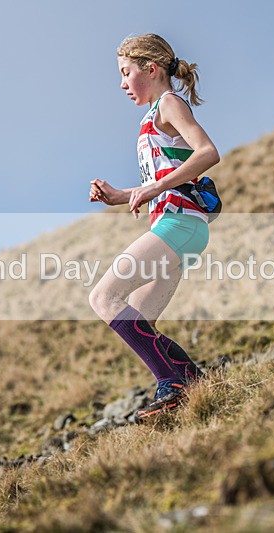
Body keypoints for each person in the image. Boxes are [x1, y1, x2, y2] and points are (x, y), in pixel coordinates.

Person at [88, 33, 221, 421]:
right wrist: (119, 196)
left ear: (152, 69)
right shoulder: (151, 118)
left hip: (179, 224)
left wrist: (157, 187)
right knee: (139, 319)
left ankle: (171, 383)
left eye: (126, 73)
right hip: (181, 226)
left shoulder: (168, 103)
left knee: (103, 298)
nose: (122, 83)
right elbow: (164, 177)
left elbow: (208, 152)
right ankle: (193, 382)